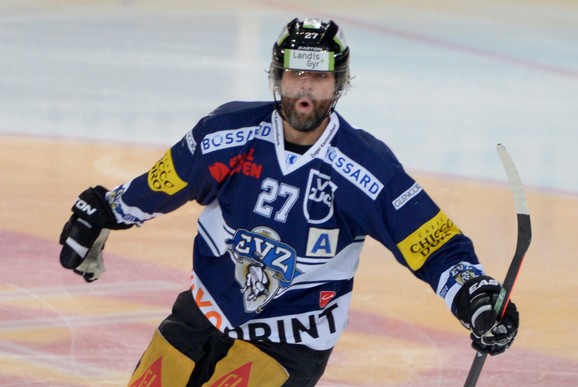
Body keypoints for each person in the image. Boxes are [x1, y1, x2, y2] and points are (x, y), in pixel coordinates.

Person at [59, 17, 519, 386]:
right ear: (278, 76)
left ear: (338, 83)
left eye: (318, 76)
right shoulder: (225, 135)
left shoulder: (365, 168)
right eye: (297, 72)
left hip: (290, 340)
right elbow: (165, 182)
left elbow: (432, 243)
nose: (305, 88)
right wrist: (108, 209)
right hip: (203, 313)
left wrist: (474, 295)